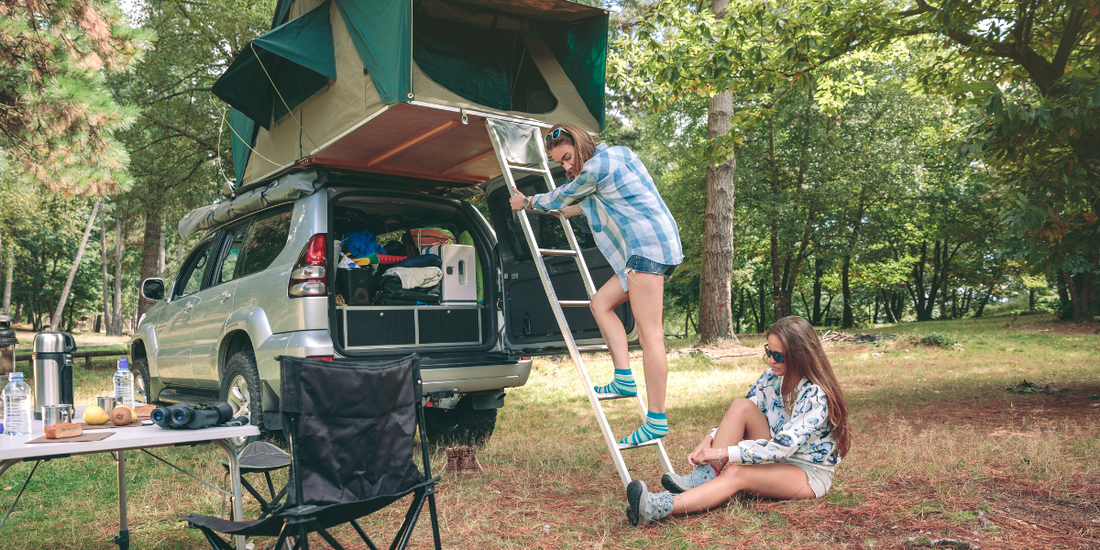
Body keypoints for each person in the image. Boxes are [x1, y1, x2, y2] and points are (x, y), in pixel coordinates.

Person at [509, 122, 683, 445]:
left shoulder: (596, 168)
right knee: (600, 304)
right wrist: (559, 210)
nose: (566, 166)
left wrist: (528, 203)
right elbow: (578, 204)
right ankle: (623, 378)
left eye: (567, 157)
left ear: (579, 143)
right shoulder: (617, 156)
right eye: (561, 162)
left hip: (645, 249)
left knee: (650, 335)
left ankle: (657, 418)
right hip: (650, 247)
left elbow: (563, 195)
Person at [625, 315, 852, 526]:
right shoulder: (771, 377)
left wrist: (722, 453)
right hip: (774, 456)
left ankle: (657, 507)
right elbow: (745, 411)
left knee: (736, 474)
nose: (771, 360)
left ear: (800, 355)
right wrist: (710, 439)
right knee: (741, 405)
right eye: (768, 351)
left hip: (806, 472)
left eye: (778, 356)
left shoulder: (815, 395)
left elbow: (782, 447)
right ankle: (703, 478)